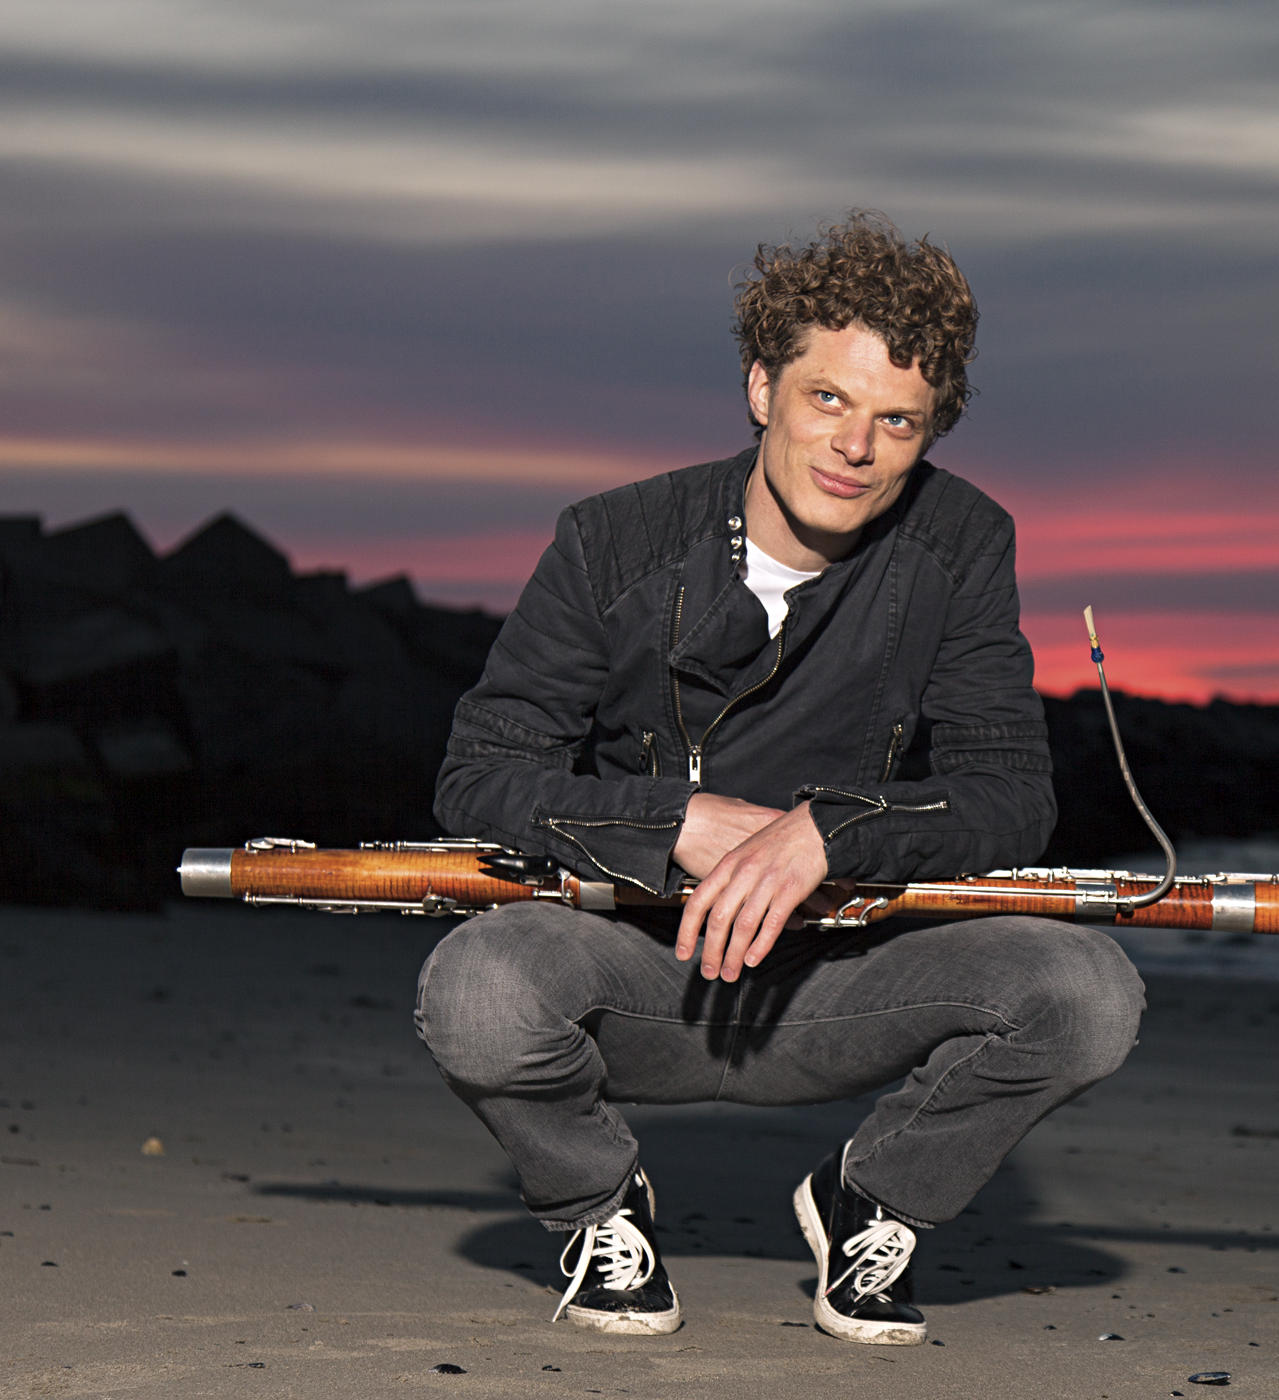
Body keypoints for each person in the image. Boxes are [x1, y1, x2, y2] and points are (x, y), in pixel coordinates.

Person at [414, 213, 1144, 1346]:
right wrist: (677, 819)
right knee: (476, 987)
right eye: (827, 398)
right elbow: (481, 776)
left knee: (1089, 991)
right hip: (639, 976)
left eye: (897, 420)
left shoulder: (962, 543)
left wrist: (828, 831)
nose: (856, 446)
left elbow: (1011, 794)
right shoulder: (611, 540)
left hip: (842, 986)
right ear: (762, 388)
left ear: (929, 431)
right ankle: (598, 1204)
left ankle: (873, 1197)